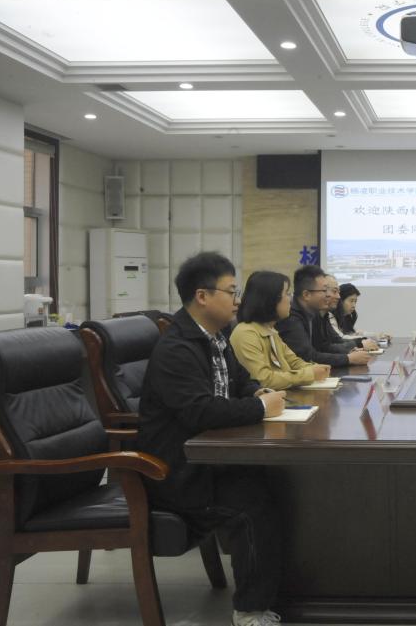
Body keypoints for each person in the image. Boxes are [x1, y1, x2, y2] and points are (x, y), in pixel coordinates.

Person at [138, 252, 286, 626]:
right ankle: (250, 610)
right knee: (252, 507)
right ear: (202, 296)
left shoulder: (215, 338)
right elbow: (200, 412)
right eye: (231, 291)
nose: (238, 300)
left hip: (211, 459)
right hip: (180, 471)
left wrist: (257, 393)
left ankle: (287, 588)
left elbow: (240, 382)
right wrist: (260, 408)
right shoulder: (177, 349)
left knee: (283, 480)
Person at [230, 270, 330, 390]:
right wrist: (309, 374)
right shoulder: (246, 333)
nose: (291, 299)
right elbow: (263, 380)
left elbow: (294, 361)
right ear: (270, 299)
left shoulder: (270, 330)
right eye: (287, 293)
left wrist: (315, 368)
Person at [277, 265, 372, 367]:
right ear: (306, 295)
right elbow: (307, 357)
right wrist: (348, 358)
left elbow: (323, 346)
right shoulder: (291, 317)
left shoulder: (314, 313)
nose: (328, 295)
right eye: (324, 290)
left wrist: (349, 353)